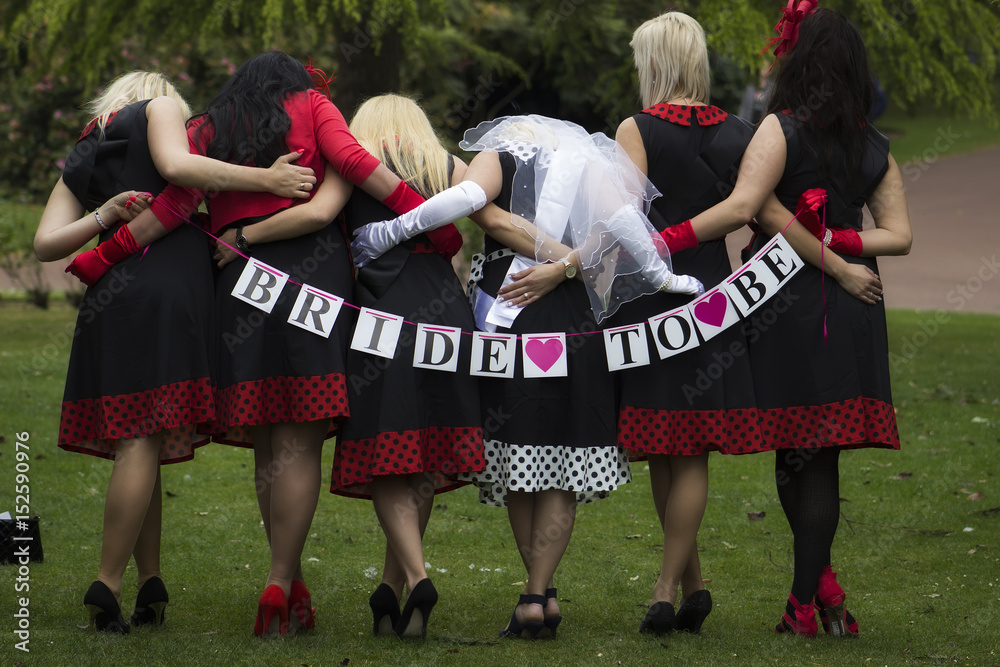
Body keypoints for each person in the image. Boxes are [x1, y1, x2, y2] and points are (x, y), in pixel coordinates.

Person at [64, 52, 454, 637]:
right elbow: (352, 161)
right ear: (298, 84)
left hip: (238, 285)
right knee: (297, 444)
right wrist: (428, 218)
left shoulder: (209, 124)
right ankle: (278, 580)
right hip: (313, 280)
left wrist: (101, 257)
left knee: (268, 445)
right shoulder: (315, 106)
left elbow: (174, 204)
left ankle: (288, 584)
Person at [351, 114, 703, 639]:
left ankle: (539, 599)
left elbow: (477, 206)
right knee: (561, 461)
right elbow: (624, 226)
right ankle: (538, 593)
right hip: (574, 319)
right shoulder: (588, 165)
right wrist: (655, 275)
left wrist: (391, 230)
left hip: (509, 308)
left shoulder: (502, 152)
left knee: (521, 460)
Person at [34, 70, 316, 634]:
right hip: (166, 290)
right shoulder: (159, 106)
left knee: (138, 441)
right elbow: (179, 170)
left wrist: (105, 215)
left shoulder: (86, 147)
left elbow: (46, 245)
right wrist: (269, 179)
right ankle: (108, 582)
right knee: (142, 439)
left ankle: (151, 581)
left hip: (109, 295)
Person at [677, 2, 911, 637]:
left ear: (798, 61)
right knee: (815, 454)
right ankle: (822, 593)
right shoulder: (874, 144)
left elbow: (752, 208)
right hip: (854, 306)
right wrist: (846, 247)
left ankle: (802, 607)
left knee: (801, 453)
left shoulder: (781, 129)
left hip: (791, 302)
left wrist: (827, 253)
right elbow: (899, 235)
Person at [612, 11, 762, 636]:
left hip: (651, 298)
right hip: (712, 298)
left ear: (654, 63)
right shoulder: (740, 132)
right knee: (685, 444)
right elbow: (754, 210)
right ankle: (694, 585)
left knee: (662, 444)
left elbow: (618, 221)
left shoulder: (635, 129)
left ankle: (663, 588)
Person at [327, 94, 483, 639]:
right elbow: (486, 202)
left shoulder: (351, 166)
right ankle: (393, 596)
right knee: (422, 452)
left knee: (388, 451)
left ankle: (417, 577)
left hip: (382, 314)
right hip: (446, 311)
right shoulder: (444, 165)